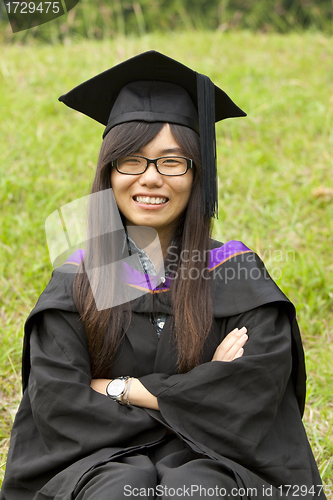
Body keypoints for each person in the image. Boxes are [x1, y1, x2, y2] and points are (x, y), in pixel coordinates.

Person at [0, 51, 326, 500]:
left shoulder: (235, 272)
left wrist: (123, 389)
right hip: (98, 460)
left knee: (195, 489)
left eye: (172, 162)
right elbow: (59, 400)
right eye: (131, 160)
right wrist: (198, 391)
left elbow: (253, 392)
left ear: (197, 175)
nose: (150, 178)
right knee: (119, 487)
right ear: (109, 173)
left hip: (218, 457)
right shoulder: (80, 276)